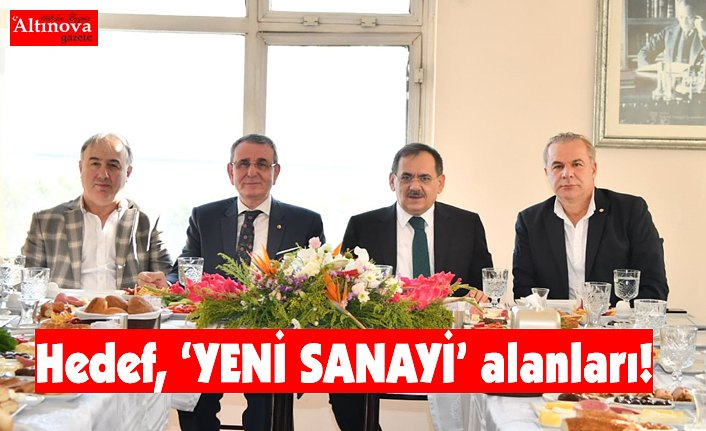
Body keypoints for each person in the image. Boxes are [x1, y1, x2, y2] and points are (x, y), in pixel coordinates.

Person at [138, 133, 325, 431]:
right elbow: (186, 271)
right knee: (193, 401)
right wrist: (167, 282)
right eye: (243, 164)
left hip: (268, 338)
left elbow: (315, 282)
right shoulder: (205, 216)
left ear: (276, 172)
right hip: (210, 331)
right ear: (231, 171)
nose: (252, 172)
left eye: (262, 164)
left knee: (266, 412)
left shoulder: (305, 222)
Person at [329, 142, 493, 431]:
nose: (414, 186)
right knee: (342, 378)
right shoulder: (364, 226)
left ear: (440, 183)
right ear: (392, 181)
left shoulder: (467, 224)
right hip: (382, 341)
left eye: (424, 178)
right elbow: (345, 293)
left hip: (449, 341)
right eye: (406, 177)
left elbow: (481, 286)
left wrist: (478, 295)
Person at [512, 132, 669, 305]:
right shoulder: (530, 222)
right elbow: (523, 291)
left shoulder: (630, 211)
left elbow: (654, 286)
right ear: (547, 173)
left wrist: (619, 315)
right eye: (557, 166)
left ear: (593, 169)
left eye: (577, 164)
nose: (567, 173)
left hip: (616, 320)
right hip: (556, 321)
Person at [21, 133, 172, 290]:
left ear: (127, 173)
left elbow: (167, 283)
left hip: (128, 306)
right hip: (66, 306)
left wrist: (162, 284)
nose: (103, 174)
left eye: (113, 165)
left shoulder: (147, 222)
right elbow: (25, 284)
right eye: (95, 164)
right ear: (81, 168)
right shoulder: (46, 222)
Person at [637, 0, 706, 69]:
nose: (684, 22)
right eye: (681, 17)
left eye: (689, 17)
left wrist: (703, 34)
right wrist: (651, 69)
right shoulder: (668, 32)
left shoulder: (703, 34)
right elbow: (644, 52)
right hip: (671, 75)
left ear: (698, 17)